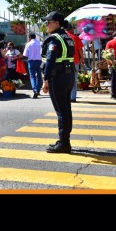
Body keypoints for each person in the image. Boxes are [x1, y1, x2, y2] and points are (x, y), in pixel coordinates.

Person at [41, 11, 76, 153]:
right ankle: (65, 140)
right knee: (66, 110)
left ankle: (64, 143)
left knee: (61, 112)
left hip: (58, 78)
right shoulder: (68, 37)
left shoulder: (54, 40)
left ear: (57, 23)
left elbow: (50, 61)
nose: (46, 25)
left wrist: (45, 79)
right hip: (68, 76)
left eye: (48, 22)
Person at [65, 24, 84, 103]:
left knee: (65, 79)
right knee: (74, 79)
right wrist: (82, 58)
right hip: (75, 61)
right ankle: (73, 97)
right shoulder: (75, 37)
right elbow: (80, 50)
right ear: (70, 29)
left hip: (64, 62)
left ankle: (66, 96)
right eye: (73, 29)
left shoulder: (62, 37)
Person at [104, 30, 116, 99]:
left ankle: (113, 94)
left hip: (113, 61)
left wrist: (109, 64)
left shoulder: (109, 42)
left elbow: (106, 55)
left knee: (114, 78)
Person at [23, 32, 42, 98]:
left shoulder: (28, 44)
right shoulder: (40, 43)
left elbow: (25, 54)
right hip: (39, 61)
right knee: (39, 77)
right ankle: (38, 90)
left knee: (32, 77)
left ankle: (35, 90)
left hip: (31, 61)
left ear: (30, 37)